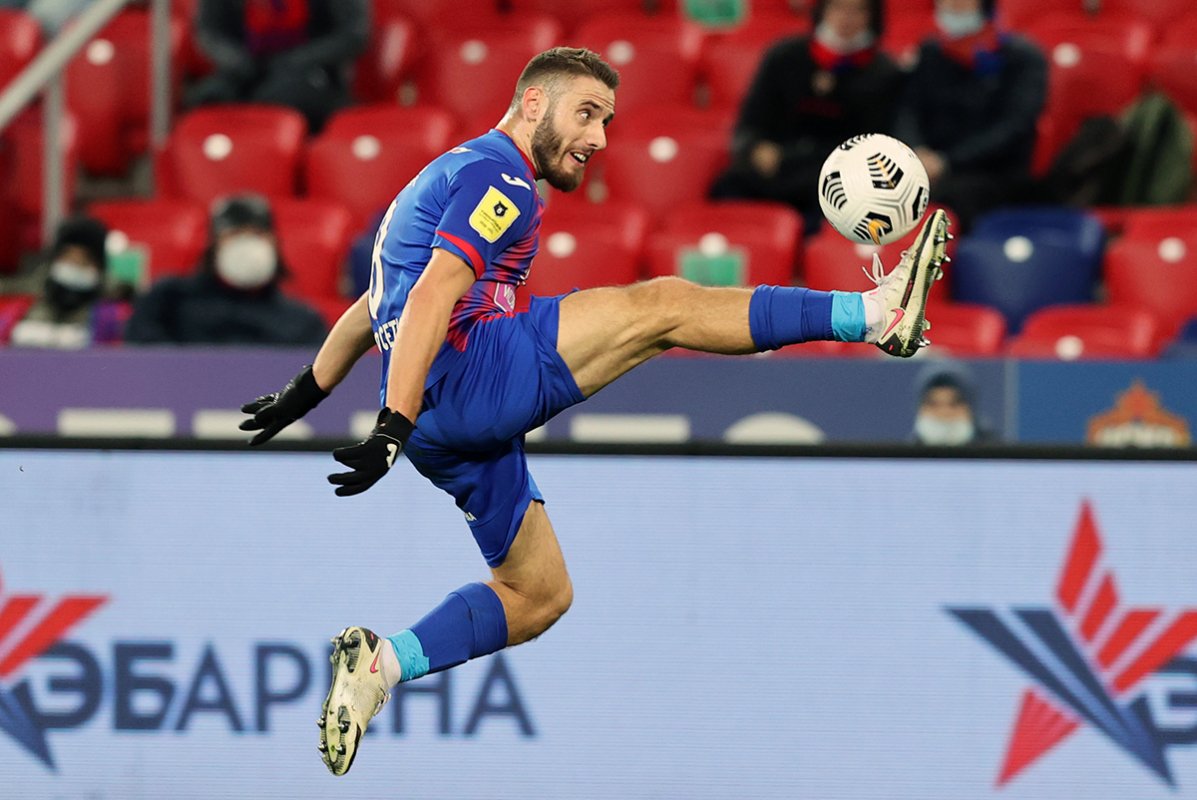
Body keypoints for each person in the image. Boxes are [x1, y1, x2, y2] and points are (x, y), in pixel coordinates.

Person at [236, 47, 950, 776]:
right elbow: (430, 294)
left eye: (606, 120)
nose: (599, 138)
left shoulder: (450, 171)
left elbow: (378, 301)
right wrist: (390, 421)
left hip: (437, 423)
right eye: (585, 114)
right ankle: (872, 314)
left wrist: (310, 389)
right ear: (533, 104)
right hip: (465, 375)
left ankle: (383, 665)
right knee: (662, 307)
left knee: (538, 594)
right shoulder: (501, 179)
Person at [708, 0, 903, 232]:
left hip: (832, 176)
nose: (846, 18)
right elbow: (750, 121)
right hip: (774, 165)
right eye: (838, 7)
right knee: (728, 188)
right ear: (823, 9)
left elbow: (873, 144)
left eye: (857, 10)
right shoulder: (784, 56)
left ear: (872, 17)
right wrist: (756, 147)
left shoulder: (884, 73)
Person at [892, 0, 1046, 230]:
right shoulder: (931, 52)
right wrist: (916, 151)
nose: (952, 5)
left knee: (948, 198)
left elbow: (1014, 127)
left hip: (992, 172)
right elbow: (908, 109)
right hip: (926, 164)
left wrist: (946, 162)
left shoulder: (1022, 58)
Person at [124, 194, 327, 346]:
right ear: (214, 244)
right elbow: (145, 359)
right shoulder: (168, 300)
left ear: (274, 243)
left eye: (257, 234)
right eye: (234, 234)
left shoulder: (302, 321)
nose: (246, 244)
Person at [187, 0, 368, 132]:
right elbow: (210, 32)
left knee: (277, 99)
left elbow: (353, 35)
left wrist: (295, 60)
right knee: (206, 101)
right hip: (245, 72)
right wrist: (236, 61)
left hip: (312, 74)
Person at [6, 215, 126, 349]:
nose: (74, 266)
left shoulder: (112, 315)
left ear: (98, 267)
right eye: (68, 257)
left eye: (83, 260)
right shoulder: (24, 304)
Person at [911, 362, 995, 445]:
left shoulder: (994, 450)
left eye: (954, 404)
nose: (944, 412)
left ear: (971, 409)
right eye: (933, 404)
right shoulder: (908, 451)